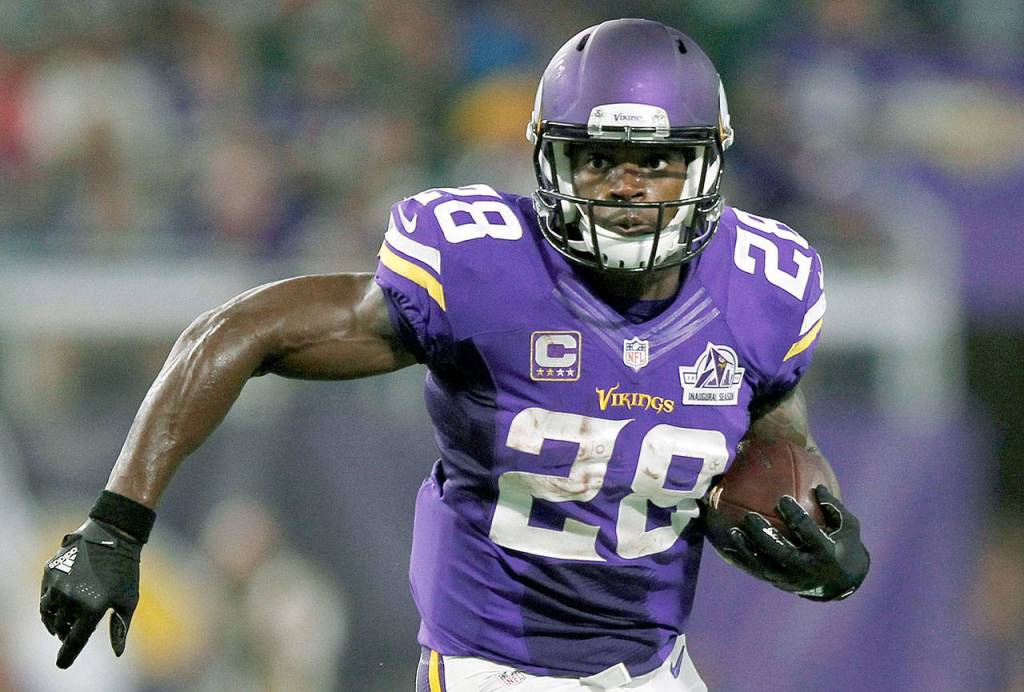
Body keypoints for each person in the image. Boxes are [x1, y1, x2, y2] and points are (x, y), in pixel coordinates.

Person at [38, 18, 869, 691]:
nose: (626, 187)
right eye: (596, 158)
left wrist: (815, 516)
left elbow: (773, 414)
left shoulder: (765, 287)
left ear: (708, 162)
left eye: (655, 161)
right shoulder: (484, 267)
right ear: (549, 158)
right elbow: (236, 330)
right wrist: (116, 524)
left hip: (653, 666)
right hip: (495, 667)